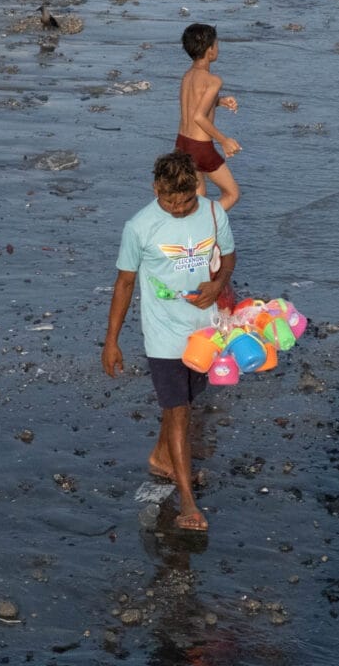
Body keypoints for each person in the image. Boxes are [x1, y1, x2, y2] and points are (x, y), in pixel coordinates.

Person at [102, 150, 236, 532]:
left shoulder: (213, 213)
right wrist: (111, 340)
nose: (177, 208)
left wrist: (218, 284)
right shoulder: (139, 227)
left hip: (205, 330)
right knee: (178, 412)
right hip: (163, 335)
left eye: (185, 200)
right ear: (155, 188)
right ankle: (188, 503)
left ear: (196, 188)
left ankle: (162, 457)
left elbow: (228, 257)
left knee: (187, 403)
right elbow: (124, 283)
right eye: (169, 201)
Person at [175, 24, 241, 212]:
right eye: (216, 44)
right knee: (232, 193)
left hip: (182, 142)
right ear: (210, 50)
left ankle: (187, 230)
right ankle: (205, 224)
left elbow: (193, 105)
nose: (217, 48)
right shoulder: (214, 80)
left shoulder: (187, 76)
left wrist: (219, 102)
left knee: (198, 194)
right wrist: (224, 140)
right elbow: (199, 117)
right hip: (201, 147)